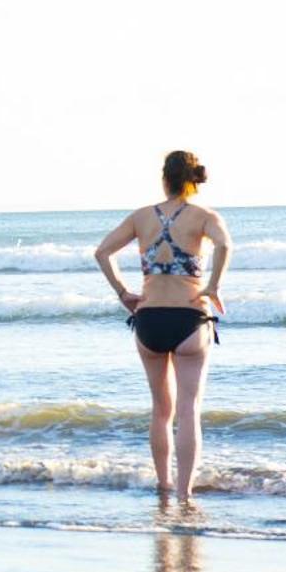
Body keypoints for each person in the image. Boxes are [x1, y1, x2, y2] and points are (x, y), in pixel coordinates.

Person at [95, 150, 232, 502]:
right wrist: (213, 285)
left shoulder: (142, 217)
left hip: (149, 319)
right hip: (190, 318)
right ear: (193, 179)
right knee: (188, 409)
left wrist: (123, 292)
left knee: (161, 409)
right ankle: (185, 493)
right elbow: (224, 244)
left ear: (164, 178)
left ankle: (163, 485)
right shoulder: (204, 216)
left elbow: (102, 252)